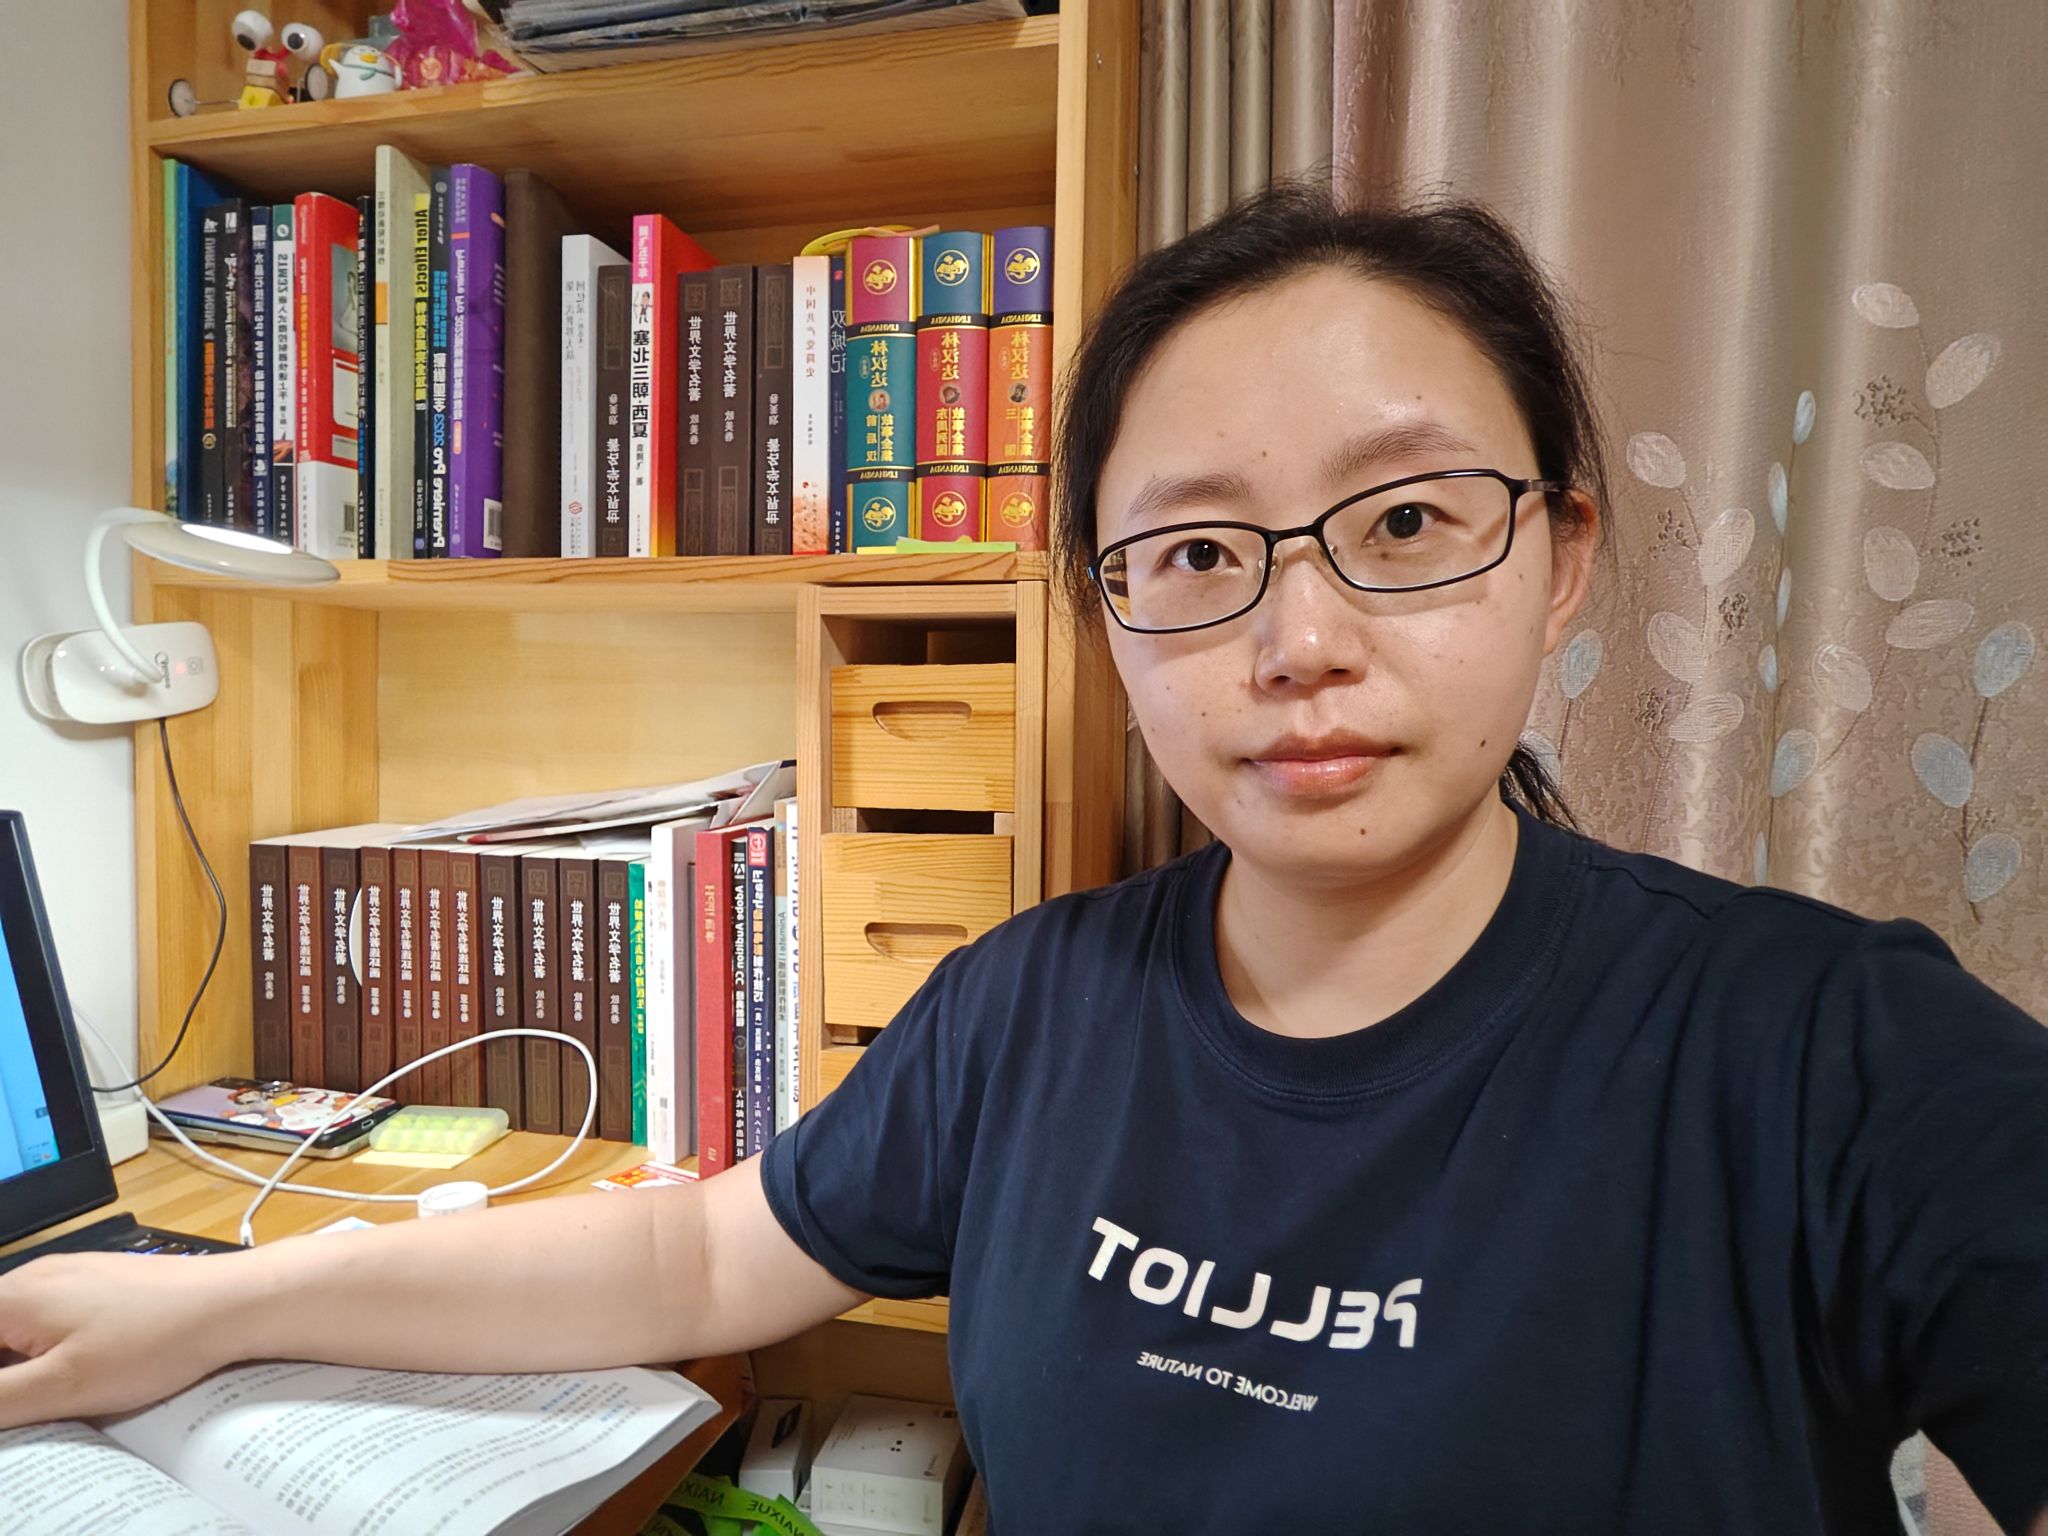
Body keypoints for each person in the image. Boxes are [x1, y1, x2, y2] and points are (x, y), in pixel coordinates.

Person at [4, 184, 2045, 1533]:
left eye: (1407, 523)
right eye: (1196, 552)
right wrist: (218, 1312)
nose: (1299, 637)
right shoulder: (1033, 1006)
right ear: (1109, 618)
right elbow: (698, 1260)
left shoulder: (1835, 1054)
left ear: (1561, 555)